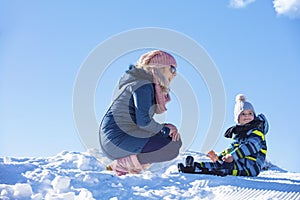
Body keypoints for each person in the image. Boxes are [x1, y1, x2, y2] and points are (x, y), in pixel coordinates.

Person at [99, 50, 182, 176]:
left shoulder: (145, 85)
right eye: (172, 69)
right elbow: (143, 122)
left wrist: (165, 129)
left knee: (172, 141)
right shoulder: (143, 85)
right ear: (159, 68)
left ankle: (129, 166)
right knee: (170, 146)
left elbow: (142, 121)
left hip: (122, 136)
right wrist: (164, 129)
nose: (174, 74)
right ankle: (122, 166)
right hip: (116, 139)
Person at [178, 94, 268, 177]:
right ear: (237, 118)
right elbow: (231, 148)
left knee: (226, 167)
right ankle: (195, 166)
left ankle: (220, 170)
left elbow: (250, 146)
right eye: (243, 114)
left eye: (250, 113)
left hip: (250, 166)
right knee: (220, 164)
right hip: (238, 162)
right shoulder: (240, 133)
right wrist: (219, 157)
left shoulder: (257, 132)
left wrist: (233, 156)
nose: (247, 116)